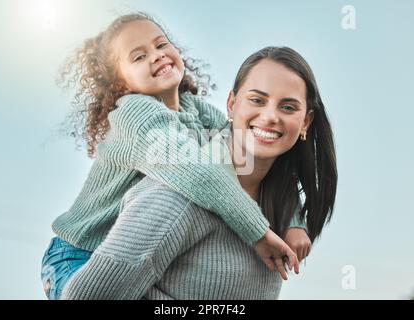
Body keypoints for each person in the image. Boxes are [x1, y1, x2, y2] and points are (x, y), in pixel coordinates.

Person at [41, 13, 308, 300]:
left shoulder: (195, 108)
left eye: (160, 45)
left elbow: (247, 150)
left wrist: (294, 221)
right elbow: (201, 173)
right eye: (139, 57)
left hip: (132, 254)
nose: (156, 56)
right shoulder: (135, 115)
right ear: (121, 84)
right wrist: (259, 232)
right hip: (78, 255)